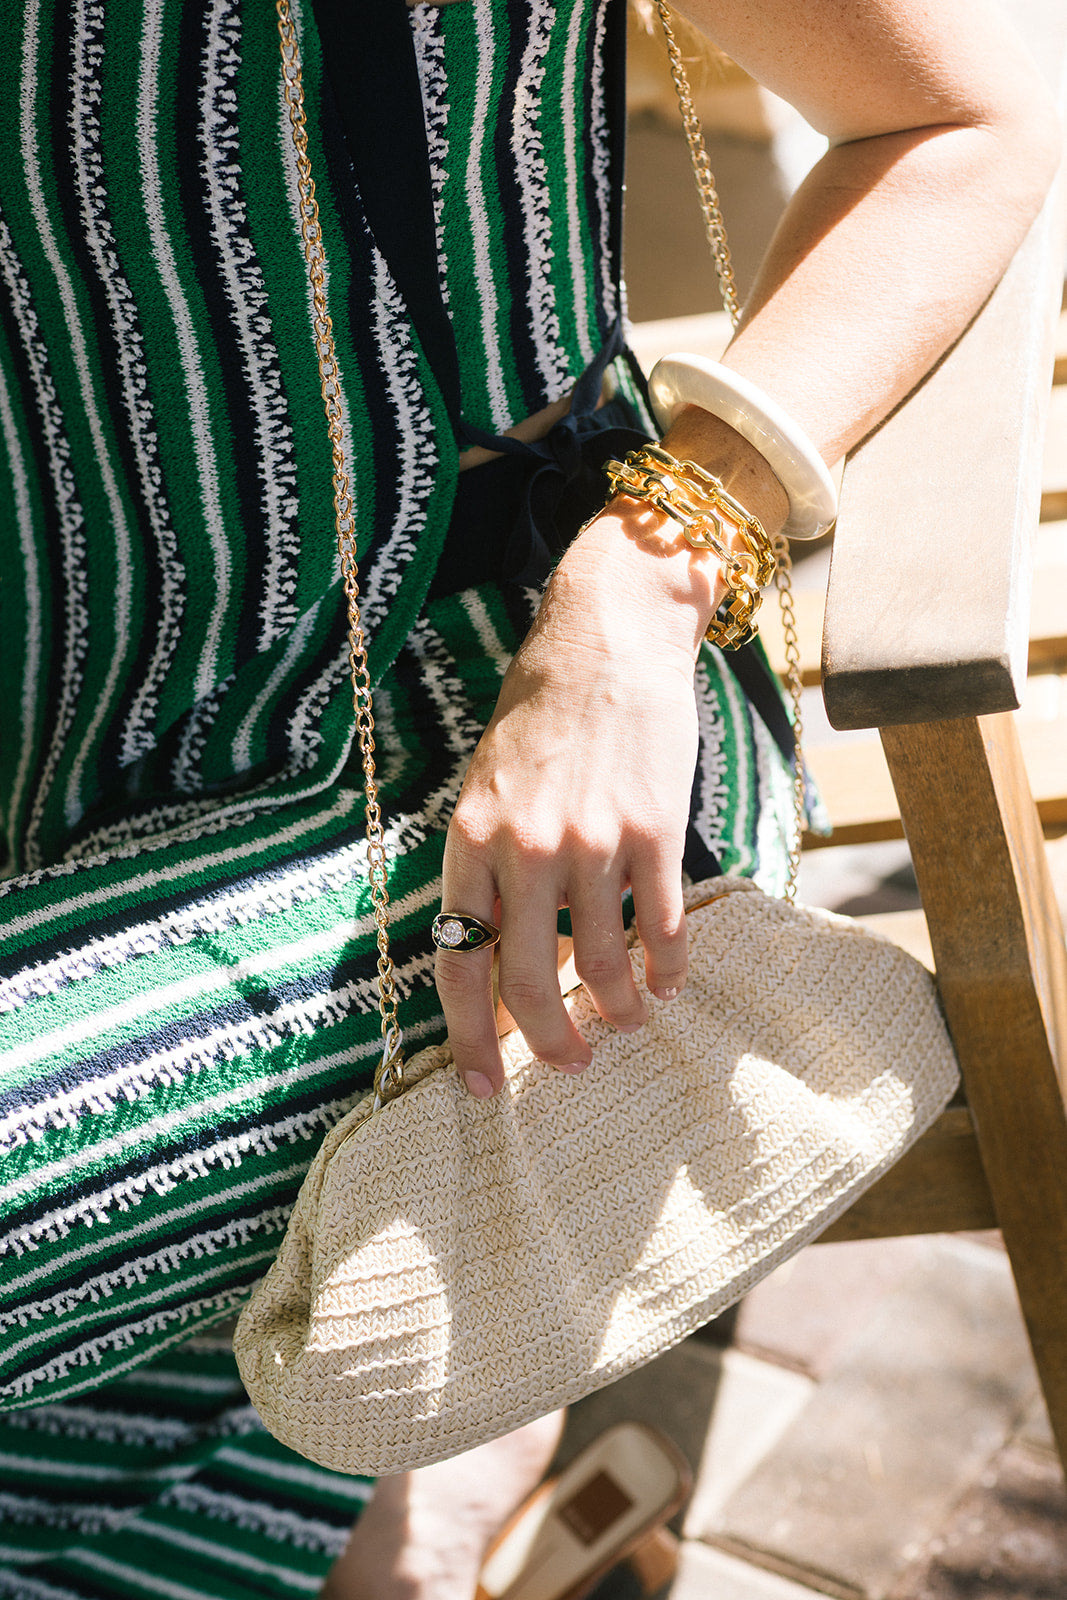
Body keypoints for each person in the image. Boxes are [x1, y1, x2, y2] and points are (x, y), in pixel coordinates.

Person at [0, 1, 1057, 1598]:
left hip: (504, 753)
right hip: (66, 744)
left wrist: (642, 590)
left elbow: (964, 123)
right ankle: (382, 1525)